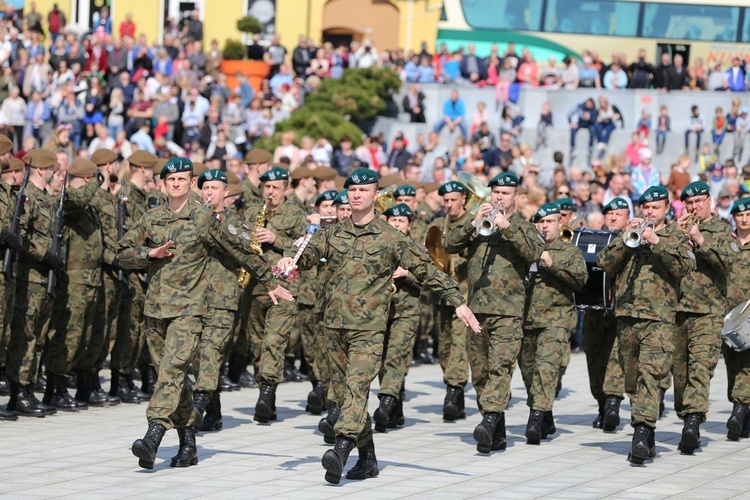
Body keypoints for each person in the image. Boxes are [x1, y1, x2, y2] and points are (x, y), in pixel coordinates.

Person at [275, 168, 479, 484]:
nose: (356, 194)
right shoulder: (332, 233)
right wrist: (290, 260)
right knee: (344, 396)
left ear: (375, 195)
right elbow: (308, 254)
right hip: (333, 328)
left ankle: (341, 450)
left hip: (368, 330)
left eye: (363, 190)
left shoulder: (391, 238)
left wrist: (458, 300)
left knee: (357, 388)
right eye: (352, 190)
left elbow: (426, 271)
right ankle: (368, 459)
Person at [118, 157, 292, 470]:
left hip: (189, 311)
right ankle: (188, 443)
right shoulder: (152, 217)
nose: (175, 183)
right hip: (155, 310)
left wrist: (269, 282)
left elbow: (242, 251)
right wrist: (149, 253)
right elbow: (122, 252)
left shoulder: (204, 218)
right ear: (162, 184)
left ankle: (153, 434)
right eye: (170, 179)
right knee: (169, 376)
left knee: (172, 370)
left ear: (190, 183)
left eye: (182, 179)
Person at [446, 171, 545, 454]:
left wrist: (508, 227)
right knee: (479, 373)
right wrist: (474, 223)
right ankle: (496, 429)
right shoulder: (479, 226)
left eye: (505, 193)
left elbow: (535, 254)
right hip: (476, 309)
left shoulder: (524, 227)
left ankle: (489, 419)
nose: (499, 197)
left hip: (508, 312)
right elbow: (450, 243)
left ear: (516, 196)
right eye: (495, 192)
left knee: (500, 367)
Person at [598, 185, 695, 464]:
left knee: (650, 376)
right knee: (632, 380)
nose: (649, 212)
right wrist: (625, 239)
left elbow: (683, 268)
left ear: (667, 208)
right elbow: (605, 262)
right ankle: (647, 435)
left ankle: (641, 432)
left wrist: (656, 241)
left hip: (659, 320)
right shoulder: (629, 234)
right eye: (645, 207)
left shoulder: (676, 236)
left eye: (655, 207)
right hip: (627, 317)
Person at [672, 181, 736, 455]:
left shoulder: (722, 230)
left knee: (700, 369)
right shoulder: (677, 229)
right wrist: (674, 235)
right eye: (689, 202)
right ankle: (686, 414)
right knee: (679, 373)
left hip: (708, 312)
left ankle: (693, 422)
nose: (694, 206)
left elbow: (728, 264)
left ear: (709, 201)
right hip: (677, 311)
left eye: (699, 201)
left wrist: (700, 239)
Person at [520, 202, 587, 444]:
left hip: (555, 321)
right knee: (529, 373)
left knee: (546, 371)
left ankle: (535, 420)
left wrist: (552, 263)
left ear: (560, 223)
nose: (544, 226)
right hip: (526, 321)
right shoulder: (527, 250)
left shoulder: (569, 251)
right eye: (540, 222)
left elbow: (580, 280)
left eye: (549, 221)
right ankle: (546, 418)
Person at [4, 149, 61, 418]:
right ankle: (19, 392)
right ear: (41, 169)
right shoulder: (28, 198)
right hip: (30, 276)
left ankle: (28, 389)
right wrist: (44, 254)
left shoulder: (47, 199)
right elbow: (20, 236)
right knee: (25, 336)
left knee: (35, 336)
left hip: (43, 278)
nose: (55, 172)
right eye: (52, 167)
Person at [249, 166, 307, 424]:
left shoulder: (296, 214)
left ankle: (266, 391)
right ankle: (267, 398)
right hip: (256, 284)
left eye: (275, 187)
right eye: (266, 187)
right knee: (257, 343)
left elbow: (305, 246)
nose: (270, 192)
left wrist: (276, 238)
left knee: (274, 339)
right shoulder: (253, 212)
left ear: (286, 188)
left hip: (285, 284)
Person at [371, 203, 422, 432]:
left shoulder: (417, 248)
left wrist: (407, 273)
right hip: (380, 310)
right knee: (382, 360)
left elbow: (430, 278)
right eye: (393, 220)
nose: (397, 224)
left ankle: (386, 401)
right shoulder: (379, 244)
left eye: (401, 221)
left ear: (409, 225)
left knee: (396, 356)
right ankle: (395, 410)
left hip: (406, 312)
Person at [583, 198, 629, 430]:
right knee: (594, 356)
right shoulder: (595, 239)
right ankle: (602, 403)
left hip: (621, 310)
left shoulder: (632, 239)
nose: (612, 217)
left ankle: (613, 403)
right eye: (609, 213)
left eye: (618, 214)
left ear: (627, 217)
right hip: (594, 311)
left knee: (616, 357)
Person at [723, 197, 750, 441]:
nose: (744, 218)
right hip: (728, 314)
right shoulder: (726, 243)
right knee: (732, 363)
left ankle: (739, 410)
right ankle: (744, 414)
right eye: (739, 215)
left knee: (747, 364)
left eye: (748, 214)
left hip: (749, 314)